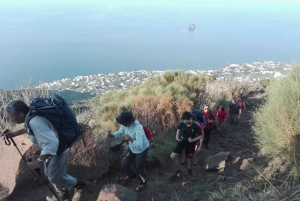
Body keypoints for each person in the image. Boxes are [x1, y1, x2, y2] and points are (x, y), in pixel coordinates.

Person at [1, 100, 86, 201]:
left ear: (21, 113)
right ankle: (64, 191)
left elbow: (52, 143)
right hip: (53, 151)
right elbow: (27, 129)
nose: (11, 119)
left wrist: (39, 161)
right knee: (51, 174)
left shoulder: (35, 121)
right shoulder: (31, 116)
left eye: (11, 116)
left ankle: (78, 185)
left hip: (57, 151)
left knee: (54, 177)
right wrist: (14, 134)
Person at [108, 111, 149, 192]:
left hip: (142, 150)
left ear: (127, 122)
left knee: (140, 168)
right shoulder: (125, 125)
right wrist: (112, 135)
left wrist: (130, 139)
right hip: (131, 147)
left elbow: (140, 145)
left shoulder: (138, 128)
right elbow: (120, 132)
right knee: (125, 164)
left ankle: (143, 183)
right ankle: (132, 176)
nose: (122, 124)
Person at [169, 111, 202, 179]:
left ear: (191, 119)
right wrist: (177, 138)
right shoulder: (181, 123)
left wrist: (193, 140)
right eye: (184, 121)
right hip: (182, 141)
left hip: (191, 143)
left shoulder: (196, 125)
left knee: (189, 158)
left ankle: (189, 172)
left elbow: (200, 136)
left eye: (186, 121)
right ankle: (178, 172)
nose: (185, 123)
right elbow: (178, 132)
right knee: (172, 156)